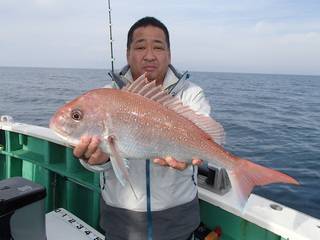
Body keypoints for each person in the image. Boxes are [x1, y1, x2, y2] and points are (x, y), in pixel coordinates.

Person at [73, 16, 211, 240]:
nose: (149, 55)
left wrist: (189, 155)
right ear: (128, 54)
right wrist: (96, 161)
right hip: (120, 219)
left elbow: (202, 143)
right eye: (140, 47)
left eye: (158, 47)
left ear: (169, 54)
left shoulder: (190, 94)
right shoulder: (105, 97)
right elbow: (96, 154)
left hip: (179, 217)